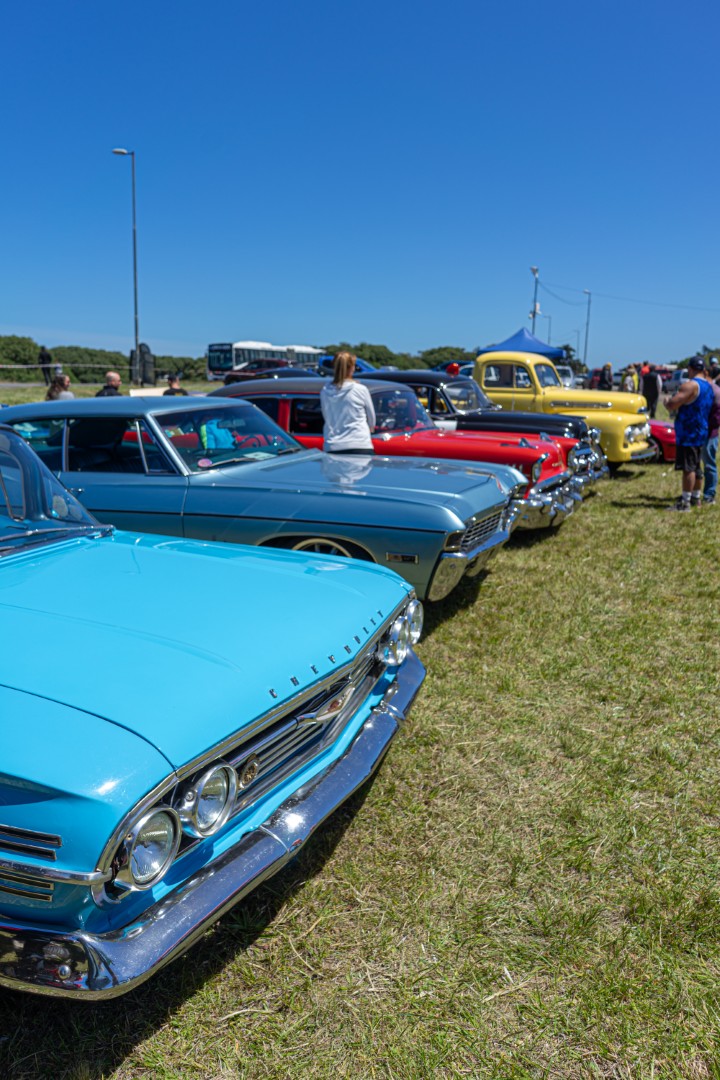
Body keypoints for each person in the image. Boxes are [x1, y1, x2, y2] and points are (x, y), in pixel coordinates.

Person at [664, 356, 715, 511]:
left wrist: (667, 402)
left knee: (688, 468)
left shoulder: (690, 385)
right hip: (701, 430)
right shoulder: (708, 386)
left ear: (690, 369)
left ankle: (685, 502)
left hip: (688, 433)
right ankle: (696, 498)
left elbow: (673, 404)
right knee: (697, 467)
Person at [320, 352, 376, 454]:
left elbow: (326, 415)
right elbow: (371, 419)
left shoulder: (325, 390)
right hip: (360, 443)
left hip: (333, 445)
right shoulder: (361, 389)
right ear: (352, 368)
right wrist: (371, 428)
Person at [702, 370, 720, 505]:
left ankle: (709, 495)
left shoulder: (713, 390)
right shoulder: (712, 389)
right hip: (707, 433)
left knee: (709, 465)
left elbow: (715, 418)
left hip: (709, 434)